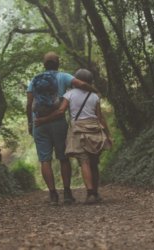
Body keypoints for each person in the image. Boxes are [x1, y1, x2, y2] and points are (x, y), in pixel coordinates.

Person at [26, 52, 97, 205]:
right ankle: (67, 193)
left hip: (38, 122)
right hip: (58, 122)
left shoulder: (34, 80)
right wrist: (94, 91)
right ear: (57, 63)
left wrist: (30, 123)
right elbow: (81, 85)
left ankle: (52, 195)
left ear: (43, 64)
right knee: (63, 158)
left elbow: (29, 103)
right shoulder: (64, 76)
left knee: (45, 160)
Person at [35, 69, 112, 204]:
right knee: (94, 162)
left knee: (84, 162)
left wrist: (43, 120)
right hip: (94, 128)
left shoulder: (69, 94)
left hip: (79, 130)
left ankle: (90, 194)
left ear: (77, 81)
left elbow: (60, 111)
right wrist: (108, 134)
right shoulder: (94, 96)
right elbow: (100, 117)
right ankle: (95, 192)